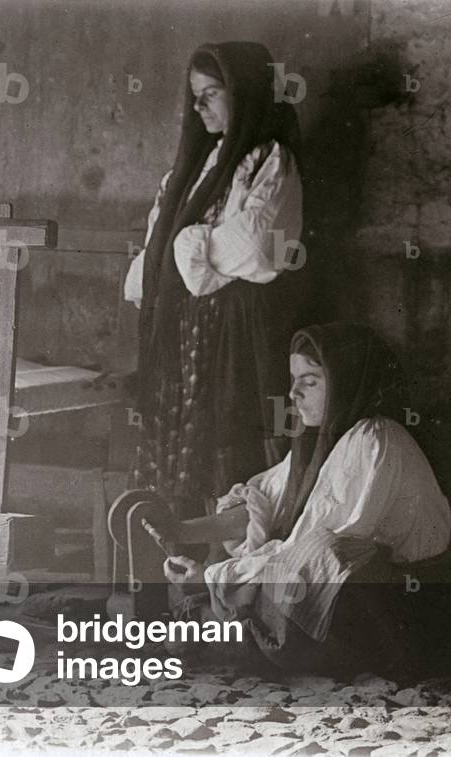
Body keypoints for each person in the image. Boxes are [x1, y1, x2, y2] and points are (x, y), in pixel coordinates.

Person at [147, 322, 450, 674]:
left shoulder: (375, 439)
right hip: (359, 594)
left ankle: (227, 631)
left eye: (310, 381)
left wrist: (214, 577)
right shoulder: (319, 442)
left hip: (407, 604)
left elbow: (319, 545)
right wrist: (180, 532)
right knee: (282, 555)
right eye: (293, 380)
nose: (293, 394)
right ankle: (221, 624)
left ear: (344, 382)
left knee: (317, 554)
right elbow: (262, 499)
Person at [123, 42, 304, 523]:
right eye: (194, 96)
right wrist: (196, 249)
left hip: (236, 331)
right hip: (182, 330)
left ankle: (230, 561)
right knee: (181, 450)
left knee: (230, 443)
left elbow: (260, 246)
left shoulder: (270, 161)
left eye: (212, 93)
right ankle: (182, 561)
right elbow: (155, 252)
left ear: (242, 95)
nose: (199, 106)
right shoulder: (187, 172)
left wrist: (187, 245)